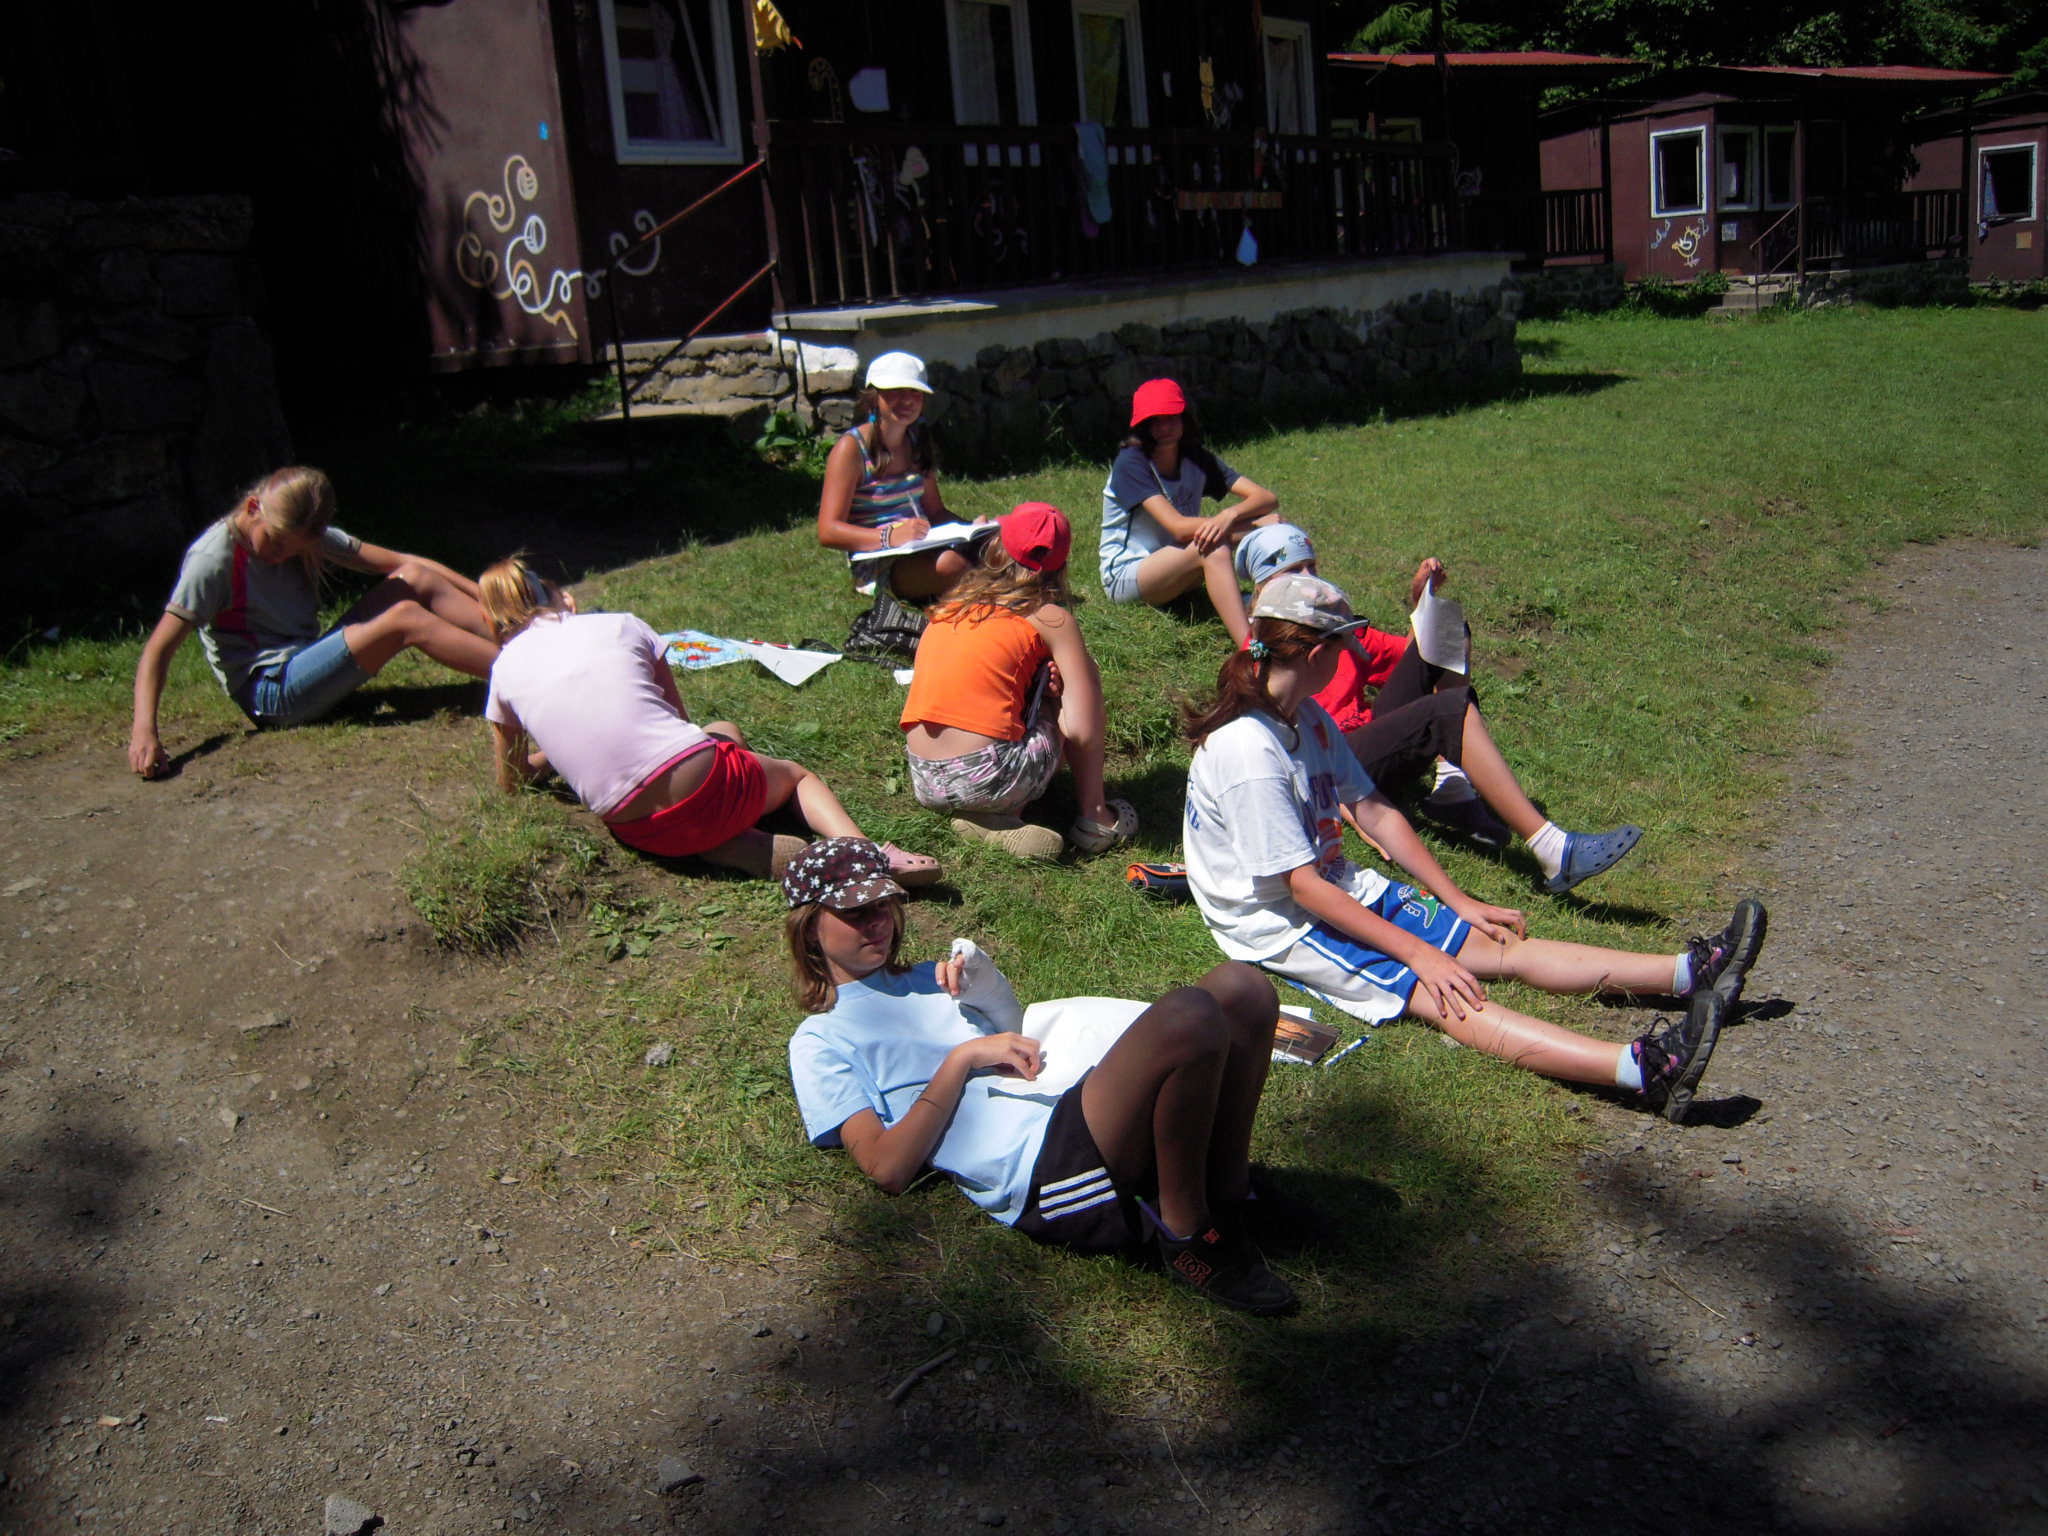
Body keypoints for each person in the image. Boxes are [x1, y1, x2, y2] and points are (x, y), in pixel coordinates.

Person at [1181, 572, 1767, 1124]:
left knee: (1495, 946)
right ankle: (1641, 1071)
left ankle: (1687, 973)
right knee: (1441, 992)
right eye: (1346, 643)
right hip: (1281, 922)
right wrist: (1419, 954)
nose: (1355, 654)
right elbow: (1300, 887)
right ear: (1315, 655)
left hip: (1332, 884)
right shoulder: (1249, 753)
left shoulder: (1304, 716)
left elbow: (1375, 811)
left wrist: (1457, 900)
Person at [783, 837, 1296, 1314]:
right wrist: (960, 1060)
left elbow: (1014, 1039)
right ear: (809, 928)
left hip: (1066, 1101)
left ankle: (1228, 1192)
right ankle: (1188, 1235)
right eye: (855, 912)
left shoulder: (929, 977)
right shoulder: (820, 1039)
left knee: (1243, 988)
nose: (876, 922)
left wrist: (984, 986)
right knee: (1189, 1015)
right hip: (1040, 1166)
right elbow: (886, 1167)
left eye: (882, 905)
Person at [478, 556, 940, 886]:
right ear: (565, 599)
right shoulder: (619, 623)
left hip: (636, 826)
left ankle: (725, 841)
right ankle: (866, 853)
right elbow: (681, 722)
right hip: (698, 777)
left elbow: (512, 779)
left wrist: (554, 755)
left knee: (709, 757)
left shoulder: (503, 673)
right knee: (781, 767)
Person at [1235, 524, 1642, 895]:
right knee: (1448, 709)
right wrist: (1341, 802)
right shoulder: (1271, 658)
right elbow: (1279, 751)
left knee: (1444, 628)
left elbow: (1420, 656)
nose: (1309, 577)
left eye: (1312, 566)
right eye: (1293, 571)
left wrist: (1421, 605)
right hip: (1339, 761)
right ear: (1263, 588)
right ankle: (1553, 849)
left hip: (1365, 744)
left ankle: (1452, 784)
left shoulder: (1334, 630)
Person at [128, 465, 499, 777]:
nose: (280, 556)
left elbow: (407, 564)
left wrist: (486, 595)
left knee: (414, 578)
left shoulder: (301, 532)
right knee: (405, 619)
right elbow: (158, 650)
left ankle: (517, 640)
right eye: (275, 542)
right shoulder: (212, 561)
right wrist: (144, 732)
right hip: (270, 693)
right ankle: (519, 673)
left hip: (306, 661)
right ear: (254, 507)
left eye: (293, 550)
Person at [900, 503, 1137, 861]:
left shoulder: (951, 606)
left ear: (997, 545)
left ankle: (986, 819)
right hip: (988, 776)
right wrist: (1058, 698)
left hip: (926, 777)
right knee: (1081, 675)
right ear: (1060, 565)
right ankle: (1096, 819)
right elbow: (1082, 729)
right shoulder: (1049, 616)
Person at [1098, 378, 1280, 644]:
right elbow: (1179, 528)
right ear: (1142, 425)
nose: (1164, 426)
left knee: (1273, 524)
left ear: (1184, 417)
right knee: (1213, 547)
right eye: (1155, 420)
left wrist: (1229, 515)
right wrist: (1233, 524)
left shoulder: (1195, 456)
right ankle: (1249, 649)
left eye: (1171, 416)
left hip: (1178, 565)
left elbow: (1266, 498)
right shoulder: (1131, 463)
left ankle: (1285, 604)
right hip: (1127, 576)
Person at [815, 352, 974, 604]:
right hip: (879, 562)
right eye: (895, 391)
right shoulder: (851, 449)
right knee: (951, 564)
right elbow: (828, 531)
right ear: (873, 396)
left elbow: (936, 512)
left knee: (997, 546)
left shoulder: (916, 441)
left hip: (924, 547)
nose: (907, 400)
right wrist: (889, 537)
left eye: (915, 392)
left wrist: (973, 530)